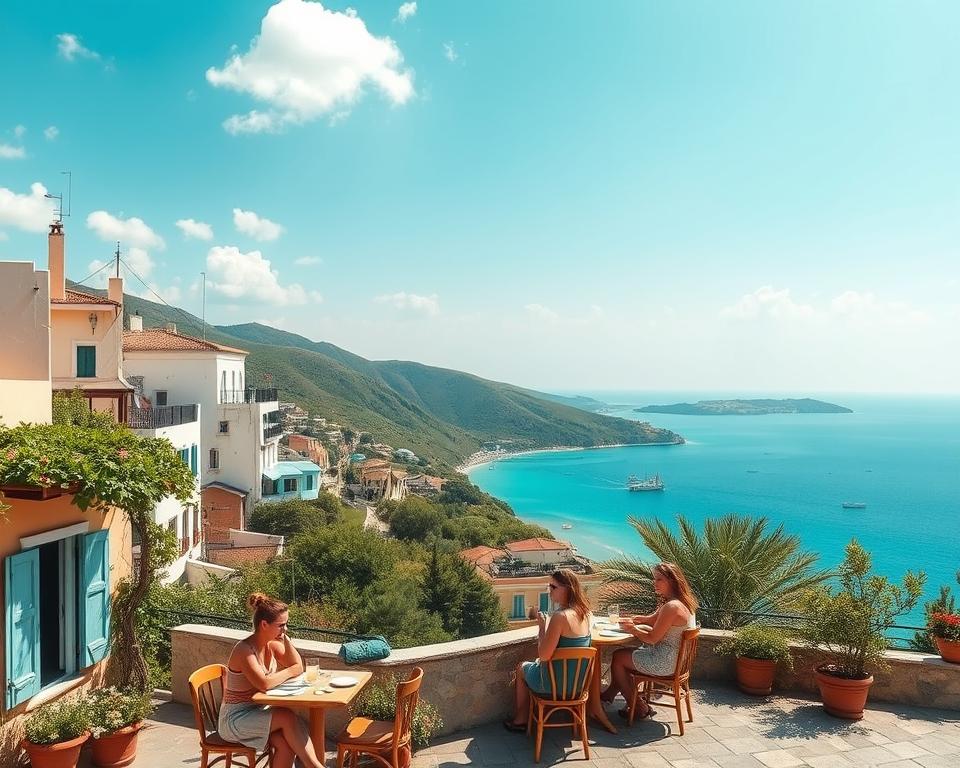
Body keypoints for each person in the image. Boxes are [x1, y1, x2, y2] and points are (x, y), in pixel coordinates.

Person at [219, 593, 325, 768]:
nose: (285, 629)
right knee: (287, 717)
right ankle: (315, 766)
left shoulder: (270, 644)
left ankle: (313, 765)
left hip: (258, 711)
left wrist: (286, 639)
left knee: (287, 744)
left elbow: (298, 665)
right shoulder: (244, 650)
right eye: (281, 625)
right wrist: (290, 671)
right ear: (264, 624)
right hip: (235, 719)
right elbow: (264, 684)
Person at [601, 562, 698, 720]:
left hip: (664, 662)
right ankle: (608, 696)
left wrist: (632, 629)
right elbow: (650, 620)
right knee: (625, 656)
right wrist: (632, 620)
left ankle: (639, 707)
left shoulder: (672, 607)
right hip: (675, 661)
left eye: (659, 579)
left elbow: (652, 639)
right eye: (655, 579)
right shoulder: (682, 603)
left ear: (672, 581)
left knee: (619, 658)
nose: (655, 583)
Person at [503, 569, 593, 732]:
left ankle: (520, 720)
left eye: (553, 587)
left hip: (551, 685)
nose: (549, 590)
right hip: (577, 687)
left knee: (521, 668)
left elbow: (544, 656)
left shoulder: (560, 617)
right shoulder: (585, 614)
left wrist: (543, 627)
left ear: (567, 588)